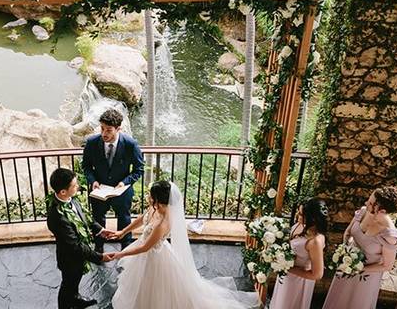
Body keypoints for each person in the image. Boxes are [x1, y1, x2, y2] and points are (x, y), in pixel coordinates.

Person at [106, 180, 258, 309]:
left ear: (157, 200)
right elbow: (142, 219)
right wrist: (123, 232)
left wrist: (121, 254)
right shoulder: (154, 207)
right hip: (144, 251)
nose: (148, 197)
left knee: (157, 290)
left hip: (154, 256)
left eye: (150, 195)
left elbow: (145, 247)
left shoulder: (163, 223)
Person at [321, 186, 397, 309]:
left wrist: (358, 268)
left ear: (382, 210)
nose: (366, 203)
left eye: (370, 203)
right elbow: (348, 233)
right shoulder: (364, 212)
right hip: (346, 267)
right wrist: (344, 253)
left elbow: (387, 265)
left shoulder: (389, 235)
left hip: (365, 277)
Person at [45, 167, 112, 309]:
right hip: (70, 258)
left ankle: (75, 298)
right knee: (68, 284)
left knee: (75, 281)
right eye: (75, 186)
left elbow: (85, 217)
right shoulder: (57, 216)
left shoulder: (71, 199)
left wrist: (100, 229)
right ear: (63, 192)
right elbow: (75, 245)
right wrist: (99, 257)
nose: (78, 187)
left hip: (79, 255)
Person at [81, 109, 144, 251]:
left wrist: (125, 182)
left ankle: (125, 251)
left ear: (118, 128)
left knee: (124, 220)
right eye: (102, 128)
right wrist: (93, 181)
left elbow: (139, 169)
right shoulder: (91, 143)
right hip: (99, 191)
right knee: (98, 220)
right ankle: (99, 249)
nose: (104, 133)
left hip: (122, 192)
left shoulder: (130, 144)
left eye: (109, 130)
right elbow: (86, 166)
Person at [268, 198, 327, 309]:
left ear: (313, 218)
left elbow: (317, 274)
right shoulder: (301, 224)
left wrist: (287, 268)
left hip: (298, 281)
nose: (297, 215)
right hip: (287, 276)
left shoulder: (315, 241)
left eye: (301, 214)